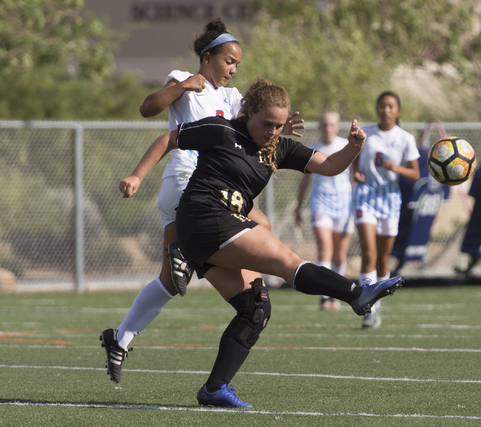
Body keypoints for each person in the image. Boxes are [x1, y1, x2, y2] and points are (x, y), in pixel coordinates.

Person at [123, 81, 404, 408]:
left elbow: (329, 166)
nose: (273, 131)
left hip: (216, 230)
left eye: (279, 125)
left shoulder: (279, 148)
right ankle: (357, 294)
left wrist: (353, 147)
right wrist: (137, 176)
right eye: (267, 123)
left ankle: (215, 388)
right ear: (249, 113)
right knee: (286, 259)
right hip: (203, 216)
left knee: (255, 308)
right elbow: (169, 139)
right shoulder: (222, 130)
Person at [99, 19, 303, 385]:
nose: (234, 68)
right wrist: (180, 87)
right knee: (253, 230)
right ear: (207, 58)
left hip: (216, 190)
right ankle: (189, 252)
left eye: (237, 63)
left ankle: (121, 337)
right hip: (185, 184)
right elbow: (148, 109)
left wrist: (276, 130)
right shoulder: (183, 79)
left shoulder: (231, 97)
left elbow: (253, 125)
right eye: (229, 61)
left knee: (170, 283)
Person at [353, 91, 420, 329]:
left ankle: (377, 307)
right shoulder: (367, 133)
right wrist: (355, 172)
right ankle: (367, 308)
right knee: (369, 253)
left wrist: (396, 168)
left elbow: (415, 174)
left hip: (390, 201)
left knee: (383, 258)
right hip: (365, 198)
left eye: (391, 106)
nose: (386, 110)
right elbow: (353, 155)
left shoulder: (405, 138)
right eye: (382, 105)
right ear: (377, 109)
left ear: (398, 111)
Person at [294, 111, 354, 311]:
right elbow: (305, 181)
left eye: (332, 124)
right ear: (319, 127)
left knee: (339, 254)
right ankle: (324, 297)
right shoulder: (313, 149)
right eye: (325, 124)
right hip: (321, 204)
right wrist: (298, 207)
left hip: (344, 205)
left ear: (337, 127)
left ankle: (337, 295)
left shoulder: (346, 147)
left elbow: (355, 176)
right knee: (325, 249)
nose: (328, 128)